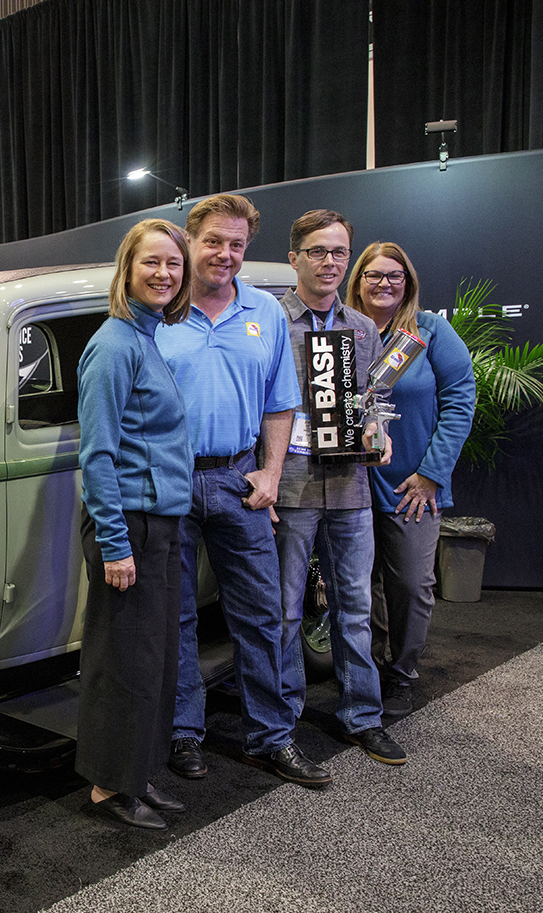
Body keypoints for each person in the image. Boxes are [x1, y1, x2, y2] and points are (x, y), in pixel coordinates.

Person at [156, 193, 330, 787]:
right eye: (213, 241)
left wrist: (272, 473)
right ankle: (183, 732)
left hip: (239, 479)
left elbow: (282, 403)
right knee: (176, 615)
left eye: (236, 244)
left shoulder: (265, 313)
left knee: (260, 614)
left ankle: (271, 737)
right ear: (189, 240)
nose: (224, 254)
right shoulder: (158, 308)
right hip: (169, 481)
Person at [272, 211, 406, 766]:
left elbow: (372, 400)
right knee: (284, 610)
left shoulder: (363, 328)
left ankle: (363, 717)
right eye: (318, 251)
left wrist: (378, 435)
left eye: (339, 252)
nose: (330, 262)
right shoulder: (271, 321)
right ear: (295, 258)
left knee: (353, 605)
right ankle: (280, 724)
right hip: (290, 487)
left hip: (350, 486)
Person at [76, 219, 195, 830]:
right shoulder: (116, 345)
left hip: (157, 524)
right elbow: (97, 455)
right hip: (130, 526)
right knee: (123, 662)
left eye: (174, 263)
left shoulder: (146, 337)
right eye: (151, 262)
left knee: (152, 660)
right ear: (126, 269)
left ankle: (137, 773)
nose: (164, 273)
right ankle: (109, 787)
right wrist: (115, 543)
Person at [348, 242, 476, 718]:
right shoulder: (341, 331)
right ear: (358, 280)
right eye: (374, 275)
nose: (384, 283)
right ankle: (363, 672)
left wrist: (431, 475)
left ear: (408, 282)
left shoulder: (430, 332)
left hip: (411, 487)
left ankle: (401, 673)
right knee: (358, 586)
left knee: (411, 585)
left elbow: (460, 402)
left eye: (394, 275)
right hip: (350, 482)